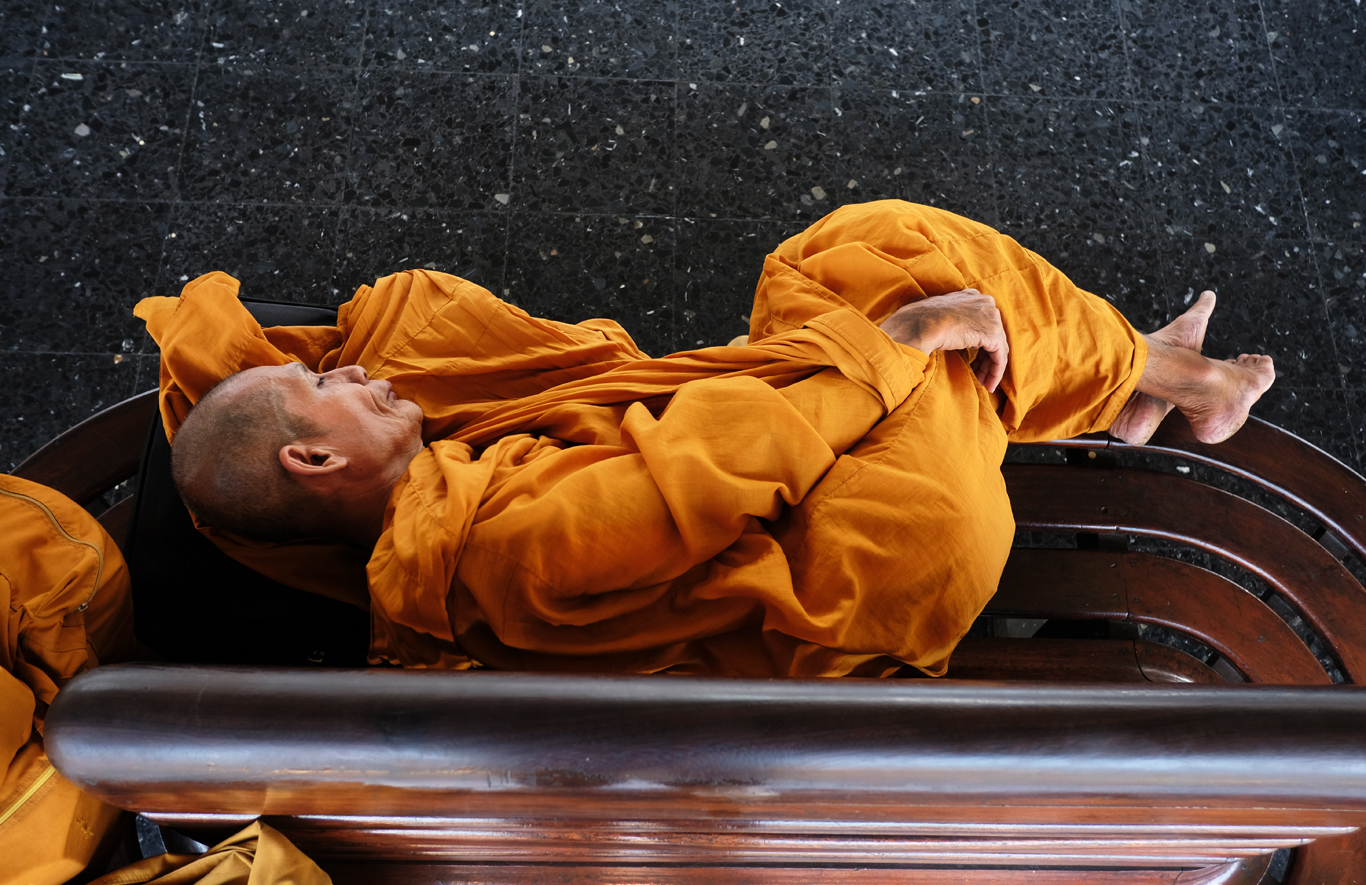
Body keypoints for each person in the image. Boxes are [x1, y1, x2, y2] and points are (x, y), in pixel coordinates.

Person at [137, 200, 1274, 678]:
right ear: (313, 462)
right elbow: (725, 464)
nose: (355, 369)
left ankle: (1151, 377)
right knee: (907, 276)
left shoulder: (445, 493)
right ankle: (1177, 377)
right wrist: (896, 343)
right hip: (873, 564)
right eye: (324, 384)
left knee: (835, 261)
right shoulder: (490, 539)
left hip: (813, 507)